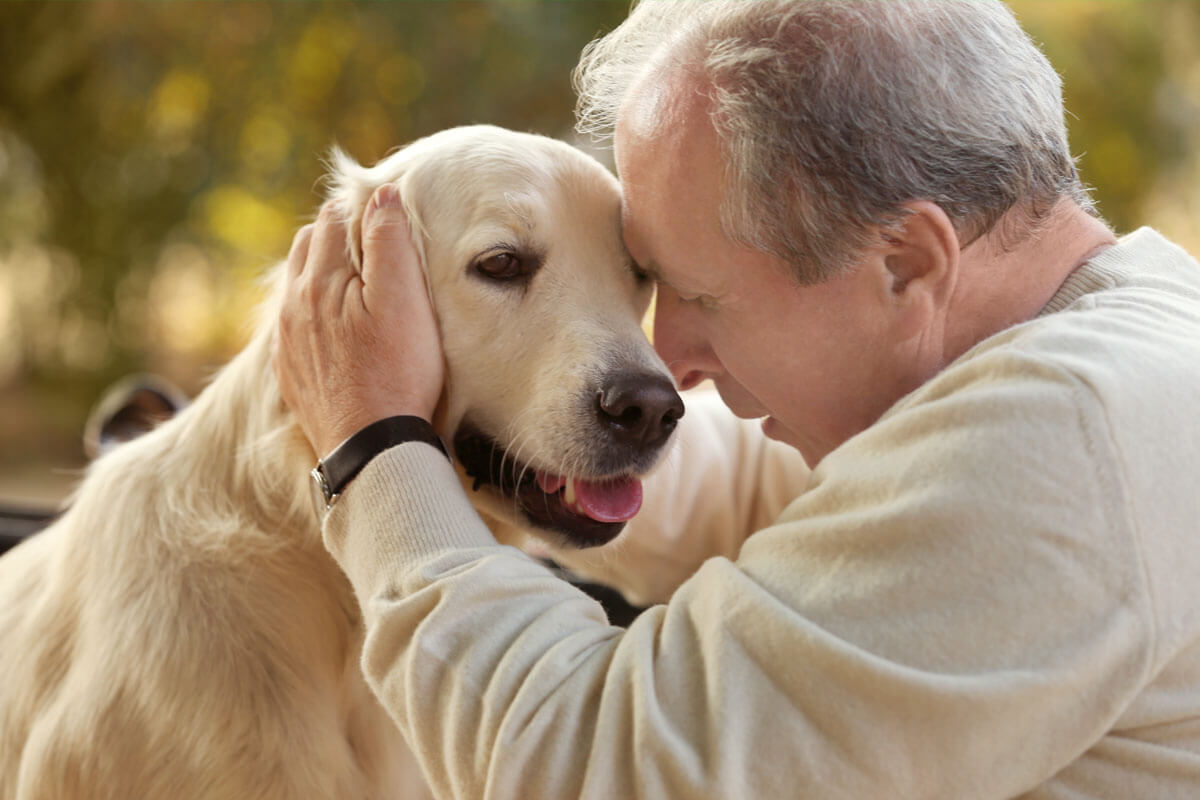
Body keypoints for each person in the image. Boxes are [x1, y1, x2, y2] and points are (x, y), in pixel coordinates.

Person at [274, 1, 1200, 796]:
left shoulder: (1062, 443)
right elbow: (777, 505)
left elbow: (594, 766)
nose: (669, 360)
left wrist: (375, 449)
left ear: (906, 263)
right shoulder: (1129, 344)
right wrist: (519, 422)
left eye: (700, 296)